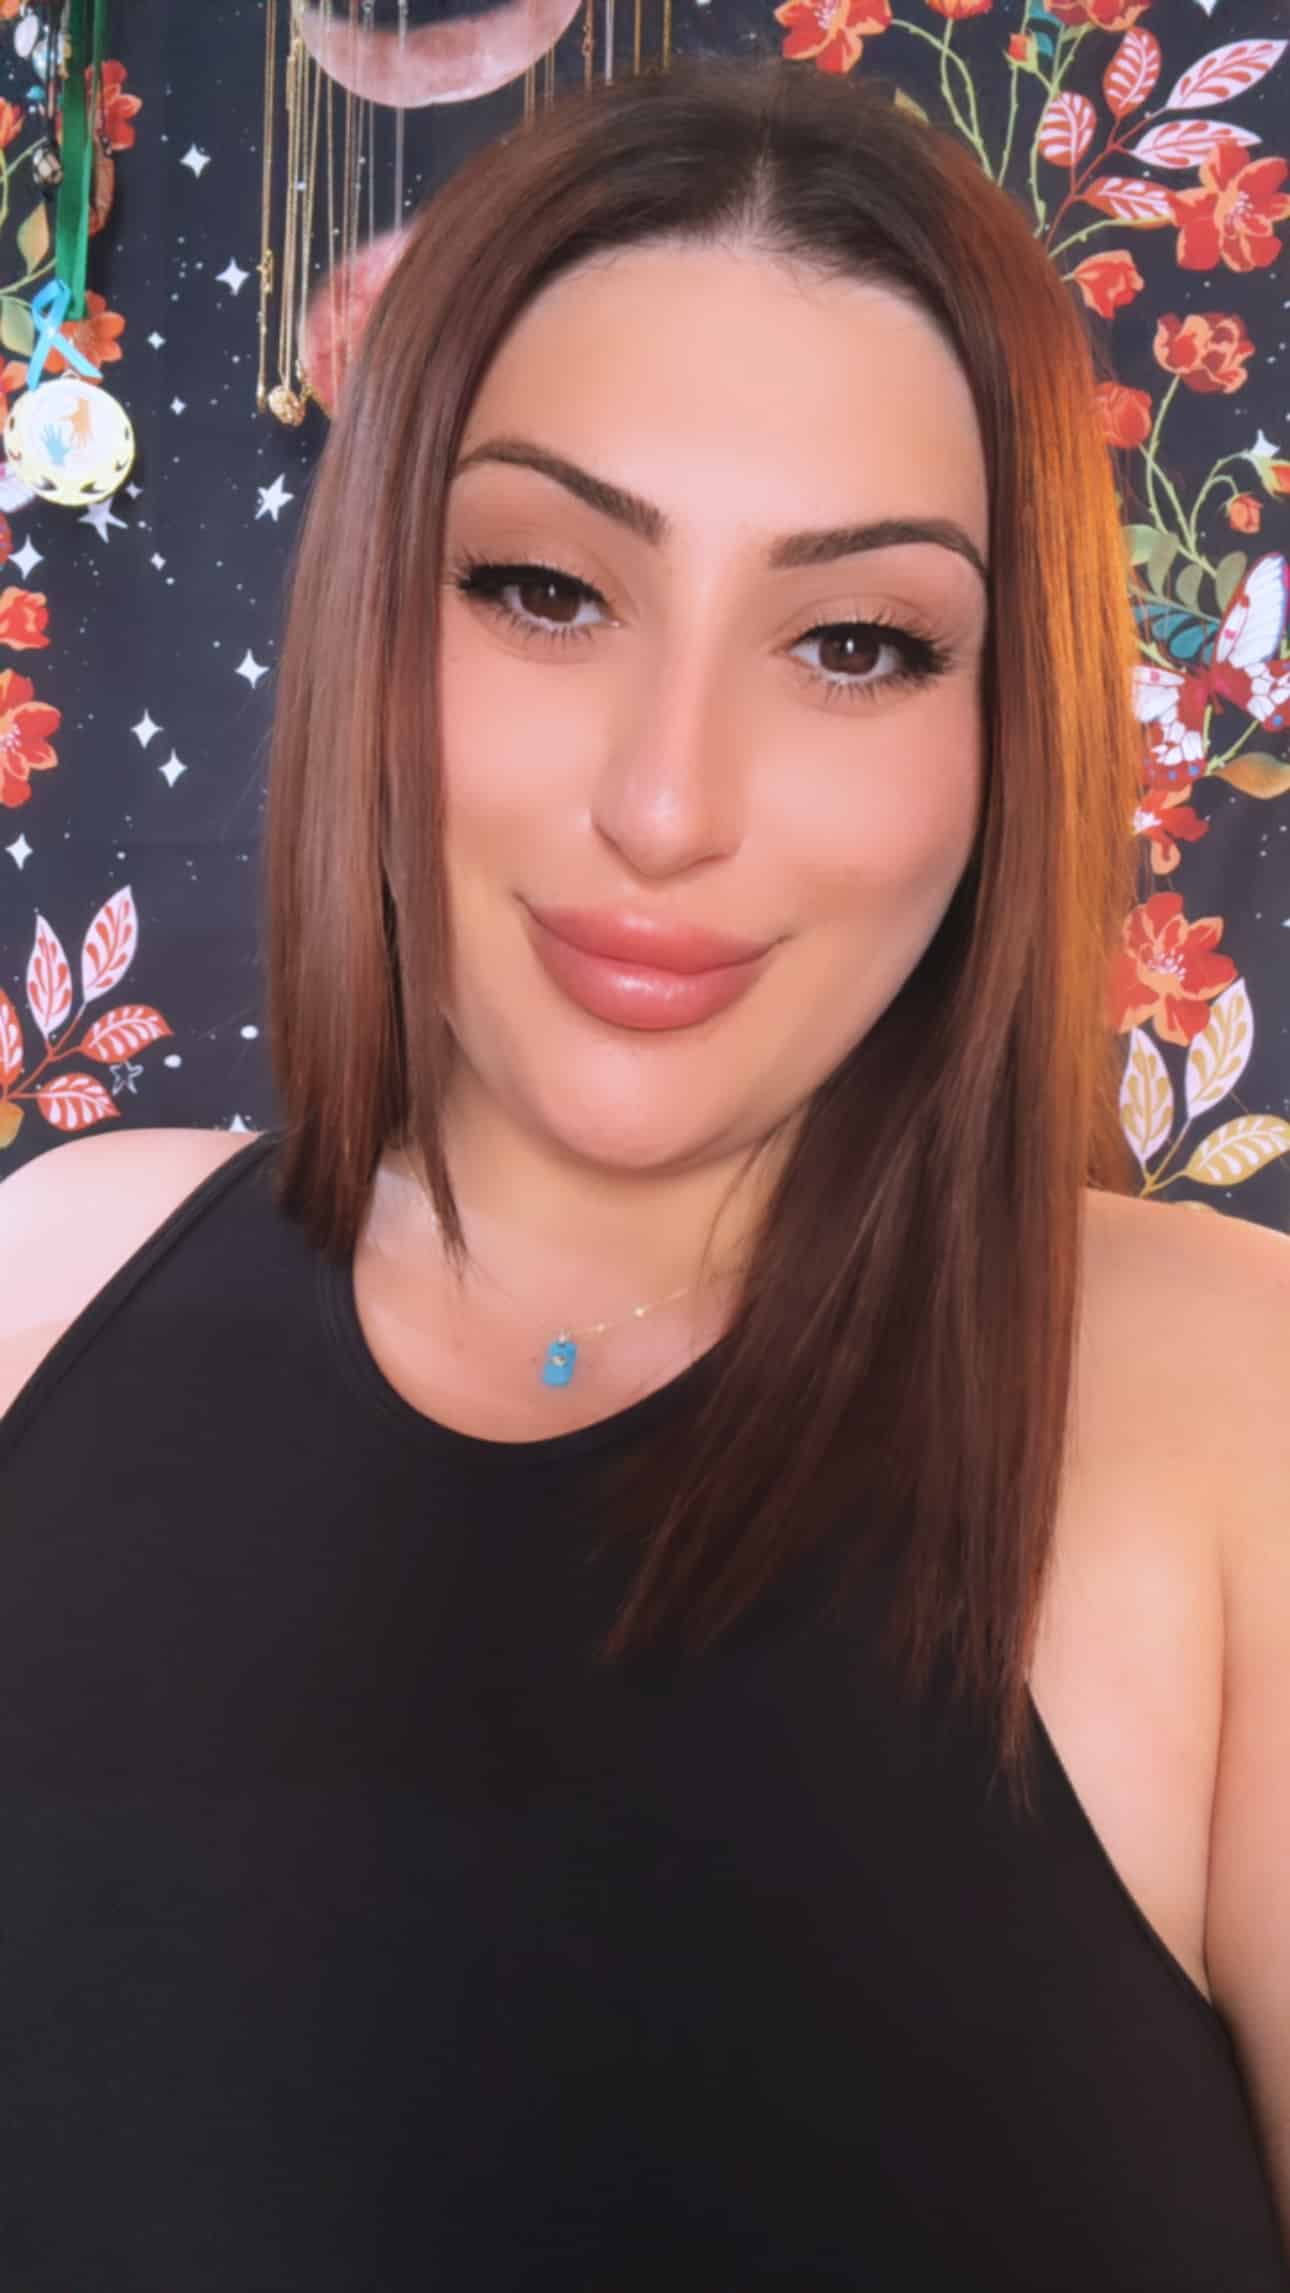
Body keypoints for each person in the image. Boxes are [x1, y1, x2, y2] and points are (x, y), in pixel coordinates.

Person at [1, 51, 1288, 2292]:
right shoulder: (47, 1280)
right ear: (379, 620)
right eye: (546, 589)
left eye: (856, 644)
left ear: (1004, 735)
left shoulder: (1239, 1410)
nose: (668, 805)